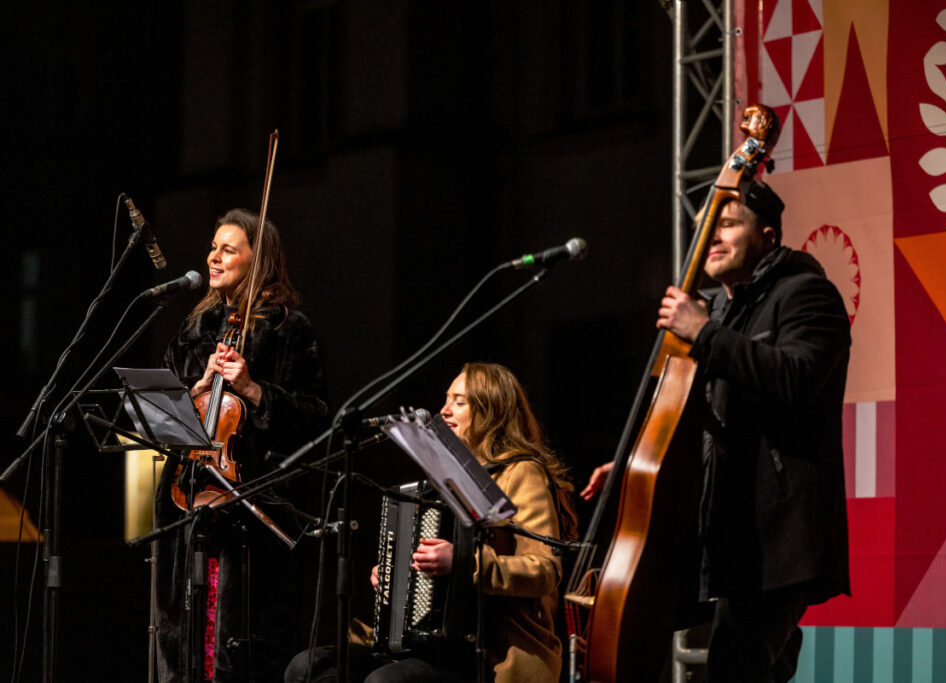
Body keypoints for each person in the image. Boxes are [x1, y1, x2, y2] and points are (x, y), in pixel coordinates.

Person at [581, 181, 850, 682]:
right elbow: (712, 422)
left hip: (777, 531)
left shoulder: (807, 293)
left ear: (767, 236)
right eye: (706, 229)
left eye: (727, 224)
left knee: (736, 664)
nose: (712, 238)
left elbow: (797, 379)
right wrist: (643, 461)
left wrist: (704, 334)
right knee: (752, 662)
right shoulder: (725, 312)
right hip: (732, 528)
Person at [286, 362, 578, 683]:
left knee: (385, 682)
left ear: (492, 410)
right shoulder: (448, 473)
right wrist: (397, 575)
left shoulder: (521, 473)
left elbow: (544, 572)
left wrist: (464, 563)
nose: (444, 410)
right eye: (446, 399)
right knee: (308, 667)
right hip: (430, 645)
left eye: (459, 402)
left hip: (489, 649)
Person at [154, 208, 330, 682]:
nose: (213, 257)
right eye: (213, 248)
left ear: (258, 260)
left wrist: (253, 390)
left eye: (228, 250)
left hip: (252, 514)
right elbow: (162, 417)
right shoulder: (196, 328)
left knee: (241, 650)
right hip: (187, 502)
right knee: (182, 644)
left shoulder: (288, 330)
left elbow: (318, 419)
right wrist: (196, 388)